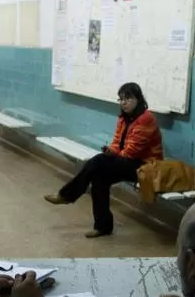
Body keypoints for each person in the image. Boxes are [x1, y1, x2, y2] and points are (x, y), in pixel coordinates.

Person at [44, 82, 163, 238]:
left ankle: (67, 195)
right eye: (121, 99)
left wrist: (112, 156)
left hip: (145, 166)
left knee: (99, 162)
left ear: (138, 99)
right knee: (99, 178)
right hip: (127, 162)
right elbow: (117, 143)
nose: (124, 102)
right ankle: (103, 227)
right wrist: (111, 151)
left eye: (128, 98)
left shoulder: (146, 118)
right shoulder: (124, 118)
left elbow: (132, 152)